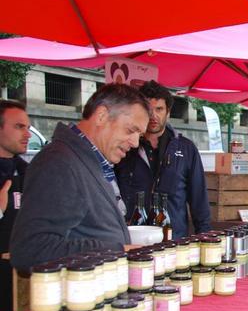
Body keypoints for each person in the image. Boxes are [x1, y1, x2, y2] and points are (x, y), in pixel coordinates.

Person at [10, 84, 149, 270]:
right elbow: (30, 249)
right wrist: (116, 250)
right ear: (101, 116)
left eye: (139, 135)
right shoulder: (59, 163)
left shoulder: (90, 160)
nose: (135, 142)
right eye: (131, 130)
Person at [115, 80, 210, 239]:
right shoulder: (125, 147)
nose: (153, 115)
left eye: (159, 109)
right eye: (148, 109)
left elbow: (199, 200)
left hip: (173, 241)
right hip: (133, 240)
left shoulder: (186, 149)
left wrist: (205, 239)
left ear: (168, 112)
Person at [0, 100, 31, 311]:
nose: (28, 134)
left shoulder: (29, 172)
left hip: (21, 282)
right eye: (19, 127)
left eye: (28, 127)